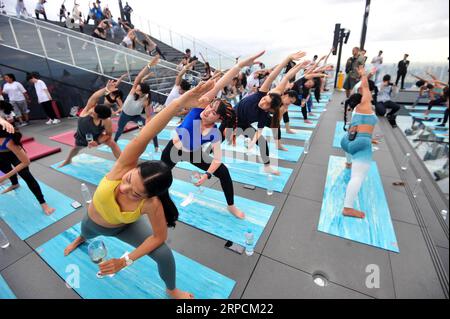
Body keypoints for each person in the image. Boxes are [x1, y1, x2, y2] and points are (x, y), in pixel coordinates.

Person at [62, 77, 216, 300]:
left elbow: (158, 238)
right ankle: (80, 239)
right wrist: (178, 104)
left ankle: (171, 289)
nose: (124, 189)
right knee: (85, 232)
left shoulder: (151, 204)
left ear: (149, 197)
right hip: (93, 222)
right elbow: (148, 132)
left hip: (124, 226)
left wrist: (125, 261)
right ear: (133, 169)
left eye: (135, 193)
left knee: (164, 254)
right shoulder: (122, 167)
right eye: (128, 180)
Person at [160, 53, 265, 219]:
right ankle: (160, 200)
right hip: (173, 149)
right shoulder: (199, 110)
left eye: (213, 113)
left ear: (219, 119)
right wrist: (239, 66)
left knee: (223, 172)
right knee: (160, 178)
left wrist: (207, 175)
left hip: (192, 152)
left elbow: (216, 160)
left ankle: (231, 206)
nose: (208, 112)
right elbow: (219, 85)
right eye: (210, 107)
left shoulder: (214, 133)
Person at [222, 51, 307, 175]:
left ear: (269, 110)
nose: (263, 103)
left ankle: (267, 166)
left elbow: (259, 132)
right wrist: (289, 59)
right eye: (264, 100)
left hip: (244, 123)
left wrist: (251, 143)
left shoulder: (263, 114)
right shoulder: (263, 93)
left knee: (262, 140)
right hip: (231, 118)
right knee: (219, 137)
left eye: (266, 104)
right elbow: (276, 76)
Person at [340, 66, 378, 219]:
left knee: (350, 148)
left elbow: (359, 87)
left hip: (347, 140)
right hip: (360, 143)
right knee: (358, 177)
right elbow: (364, 86)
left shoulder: (355, 108)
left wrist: (365, 75)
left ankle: (348, 163)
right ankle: (348, 208)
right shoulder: (366, 104)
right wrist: (364, 75)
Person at [58, 81, 122, 168]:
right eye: (93, 109)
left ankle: (122, 162)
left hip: (97, 136)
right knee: (76, 149)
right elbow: (94, 97)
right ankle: (68, 160)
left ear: (101, 117)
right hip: (82, 136)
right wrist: (106, 89)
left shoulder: (106, 121)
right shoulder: (86, 112)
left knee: (112, 143)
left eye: (94, 113)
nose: (91, 111)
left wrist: (98, 141)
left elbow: (109, 134)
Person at [0, 120, 56, 215]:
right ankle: (15, 184)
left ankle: (44, 204)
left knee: (27, 176)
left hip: (16, 157)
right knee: (6, 169)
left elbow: (26, 162)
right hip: (2, 157)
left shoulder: (9, 141)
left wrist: (3, 178)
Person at [114, 56, 160, 153]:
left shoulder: (146, 100)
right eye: (136, 88)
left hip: (136, 117)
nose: (136, 89)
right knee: (120, 129)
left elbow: (148, 116)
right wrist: (149, 65)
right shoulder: (133, 90)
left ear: (143, 92)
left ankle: (156, 147)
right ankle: (114, 142)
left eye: (138, 90)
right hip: (125, 115)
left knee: (152, 128)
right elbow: (139, 77)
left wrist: (147, 126)